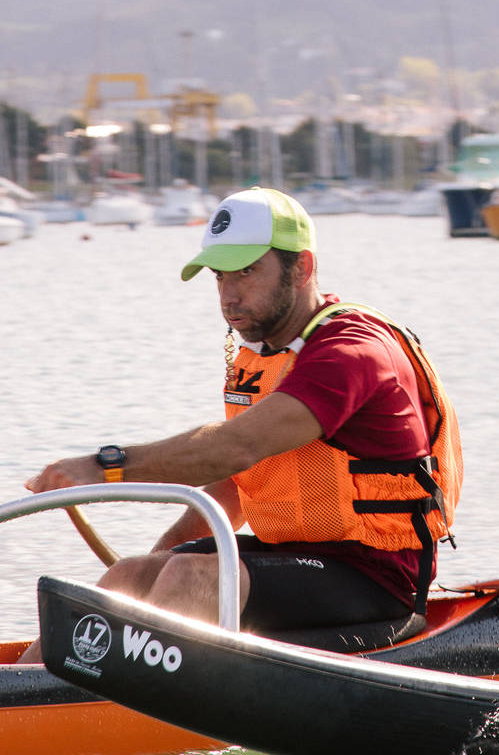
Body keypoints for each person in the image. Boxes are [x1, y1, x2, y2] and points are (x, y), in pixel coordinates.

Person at [25, 186, 463, 650]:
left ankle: (119, 687)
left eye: (247, 272)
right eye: (220, 276)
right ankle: (27, 688)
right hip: (297, 559)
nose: (229, 296)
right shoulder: (265, 356)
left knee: (194, 577)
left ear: (302, 268)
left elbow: (235, 448)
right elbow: (238, 484)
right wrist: (155, 568)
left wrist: (106, 466)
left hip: (377, 578)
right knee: (130, 575)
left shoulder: (351, 351)